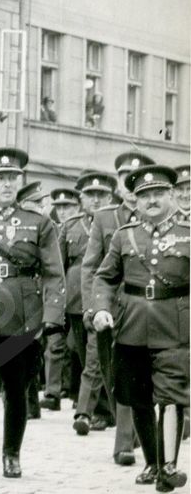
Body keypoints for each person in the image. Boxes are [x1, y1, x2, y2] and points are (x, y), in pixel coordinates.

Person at [91, 165, 189, 493]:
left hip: (175, 325)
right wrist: (102, 309)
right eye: (145, 195)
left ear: (173, 195)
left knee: (172, 394)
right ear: (136, 200)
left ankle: (170, 466)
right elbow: (105, 276)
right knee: (138, 397)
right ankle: (152, 462)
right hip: (131, 325)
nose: (152, 200)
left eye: (159, 193)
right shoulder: (125, 235)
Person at [0, 147, 65, 479]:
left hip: (23, 318)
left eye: (12, 178)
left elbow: (54, 272)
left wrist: (52, 316)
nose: (7, 184)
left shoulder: (37, 221)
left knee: (16, 388)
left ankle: (11, 453)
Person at [80, 151, 153, 467]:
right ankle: (129, 435)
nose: (130, 185)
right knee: (115, 375)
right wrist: (92, 309)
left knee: (142, 374)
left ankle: (130, 438)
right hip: (110, 308)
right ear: (120, 185)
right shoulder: (105, 218)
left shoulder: (157, 214)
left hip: (145, 309)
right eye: (125, 179)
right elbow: (91, 267)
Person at [58, 172, 116, 435]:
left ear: (110, 197)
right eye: (90, 195)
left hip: (107, 300)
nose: (96, 200)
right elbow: (61, 264)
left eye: (101, 195)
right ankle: (100, 406)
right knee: (83, 354)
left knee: (97, 356)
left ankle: (93, 410)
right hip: (75, 300)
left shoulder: (115, 222)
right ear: (81, 198)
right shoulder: (70, 225)